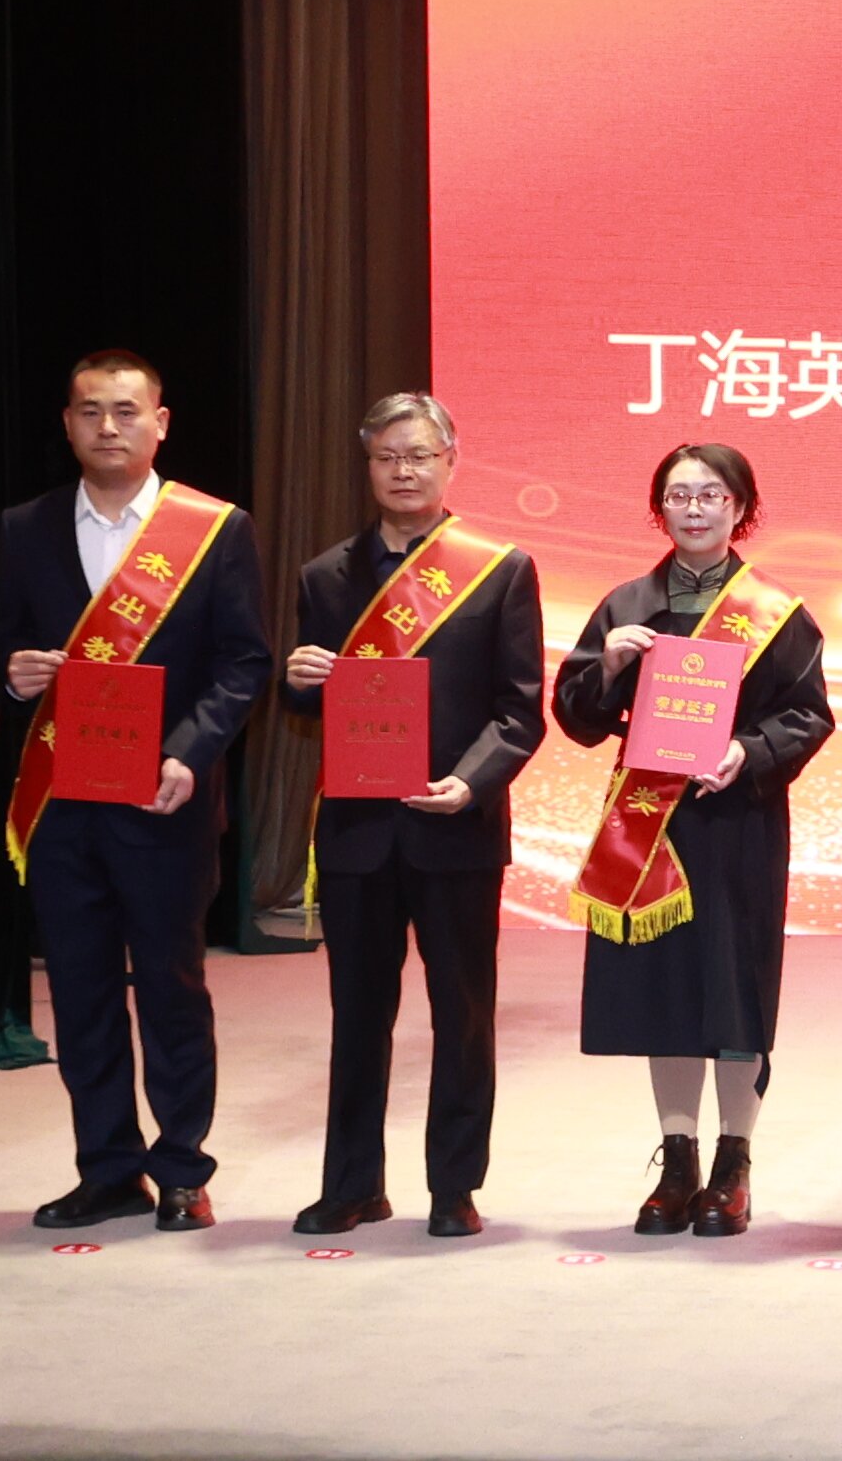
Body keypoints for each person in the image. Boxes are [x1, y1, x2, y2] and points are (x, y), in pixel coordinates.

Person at [0, 349, 269, 1232]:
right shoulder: (25, 527)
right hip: (63, 801)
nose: (107, 428)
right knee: (79, 991)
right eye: (89, 412)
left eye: (125, 411)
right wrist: (14, 676)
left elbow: (243, 662)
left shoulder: (214, 529)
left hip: (164, 799)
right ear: (67, 424)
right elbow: (2, 652)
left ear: (160, 423)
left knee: (171, 986)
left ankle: (182, 1166)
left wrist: (190, 754)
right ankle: (107, 1167)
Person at [275, 392, 545, 1237]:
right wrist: (298, 680)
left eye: (420, 455)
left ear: (450, 462)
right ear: (367, 466)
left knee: (462, 1013)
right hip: (357, 831)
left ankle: (454, 1186)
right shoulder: (325, 576)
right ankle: (352, 1184)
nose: (403, 470)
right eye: (387, 456)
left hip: (455, 826)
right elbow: (309, 704)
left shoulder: (499, 569)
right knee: (357, 1016)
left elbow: (519, 711)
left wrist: (469, 783)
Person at [553, 439, 827, 1239]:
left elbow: (809, 715)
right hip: (650, 824)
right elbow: (577, 717)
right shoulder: (626, 604)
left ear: (741, 508)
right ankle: (677, 1162)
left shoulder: (778, 611)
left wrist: (750, 751)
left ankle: (733, 1165)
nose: (695, 509)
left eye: (712, 495)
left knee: (734, 989)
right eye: (680, 496)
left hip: (736, 821)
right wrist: (606, 667)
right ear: (659, 509)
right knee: (664, 992)